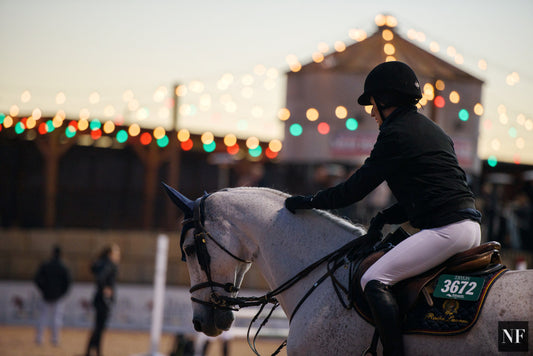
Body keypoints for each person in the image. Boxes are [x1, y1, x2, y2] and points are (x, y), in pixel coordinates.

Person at [284, 61, 482, 356]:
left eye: (372, 104)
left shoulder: (395, 134)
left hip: (446, 231)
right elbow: (426, 196)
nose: (371, 111)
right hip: (469, 229)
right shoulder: (435, 131)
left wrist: (310, 201)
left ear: (386, 100)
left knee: (373, 279)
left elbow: (355, 189)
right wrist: (384, 216)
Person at [86, 243, 120, 356]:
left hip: (99, 299)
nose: (118, 255)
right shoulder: (109, 264)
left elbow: (94, 269)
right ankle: (97, 352)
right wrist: (105, 289)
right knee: (100, 328)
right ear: (111, 253)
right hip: (104, 300)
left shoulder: (102, 262)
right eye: (116, 252)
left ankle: (90, 350)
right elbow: (101, 277)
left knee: (98, 327)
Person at [34, 244, 72, 346]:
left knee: (43, 316)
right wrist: (62, 293)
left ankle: (39, 338)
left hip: (46, 294)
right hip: (58, 296)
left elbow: (37, 279)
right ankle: (55, 339)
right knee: (57, 318)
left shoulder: (46, 264)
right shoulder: (63, 266)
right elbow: (68, 282)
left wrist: (43, 289)